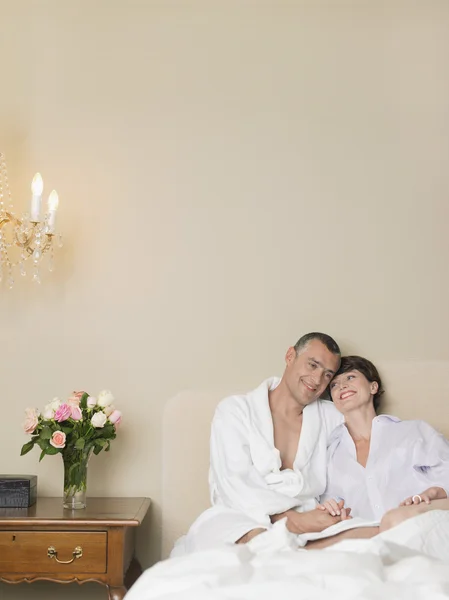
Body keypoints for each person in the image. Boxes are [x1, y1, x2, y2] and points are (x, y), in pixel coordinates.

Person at [173, 332, 353, 557]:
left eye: (327, 375)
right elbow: (234, 482)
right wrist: (295, 521)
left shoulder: (331, 416)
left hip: (312, 520)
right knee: (254, 540)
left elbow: (369, 438)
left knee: (356, 540)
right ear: (290, 356)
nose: (317, 380)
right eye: (312, 365)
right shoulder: (236, 411)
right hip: (240, 516)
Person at [318, 355, 449, 533]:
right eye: (334, 384)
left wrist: (433, 493)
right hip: (370, 543)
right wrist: (334, 512)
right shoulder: (330, 456)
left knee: (394, 520)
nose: (342, 385)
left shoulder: (413, 432)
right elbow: (329, 505)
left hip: (425, 528)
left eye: (350, 377)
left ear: (373, 387)